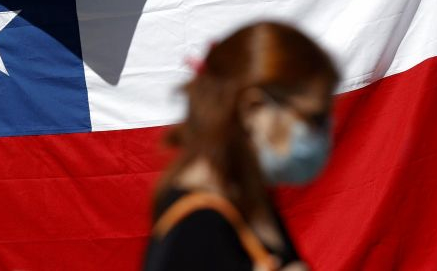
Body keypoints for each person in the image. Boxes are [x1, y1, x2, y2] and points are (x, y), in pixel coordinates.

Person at [142, 21, 339, 271]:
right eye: (315, 118)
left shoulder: (250, 197)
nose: (324, 133)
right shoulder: (198, 227)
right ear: (252, 109)